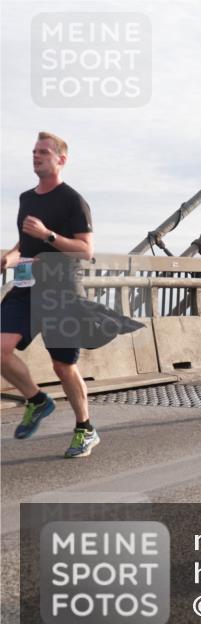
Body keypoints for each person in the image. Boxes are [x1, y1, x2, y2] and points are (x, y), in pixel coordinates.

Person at [1, 132, 112, 458]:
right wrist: (7, 259)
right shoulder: (26, 199)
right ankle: (37, 401)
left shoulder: (72, 200)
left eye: (44, 152)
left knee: (63, 366)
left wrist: (48, 235)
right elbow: (24, 243)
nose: (36, 156)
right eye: (34, 151)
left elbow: (85, 250)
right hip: (26, 288)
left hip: (60, 292)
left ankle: (85, 428)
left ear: (61, 159)